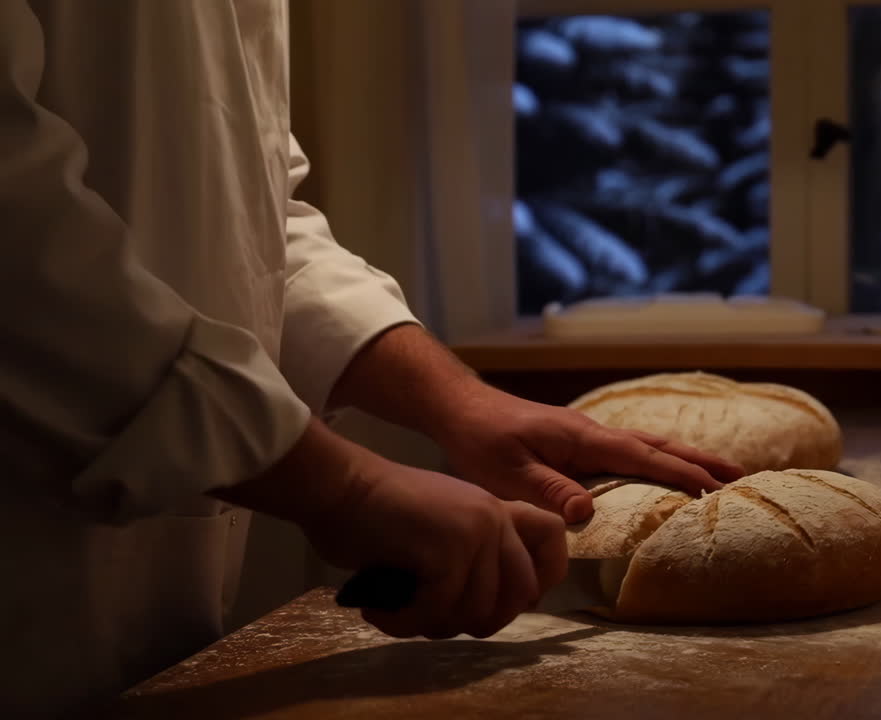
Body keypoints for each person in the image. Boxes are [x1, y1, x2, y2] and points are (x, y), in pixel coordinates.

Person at [0, 1, 743, 715]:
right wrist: (342, 490)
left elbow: (250, 226)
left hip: (156, 628)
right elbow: (21, 245)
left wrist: (458, 401)